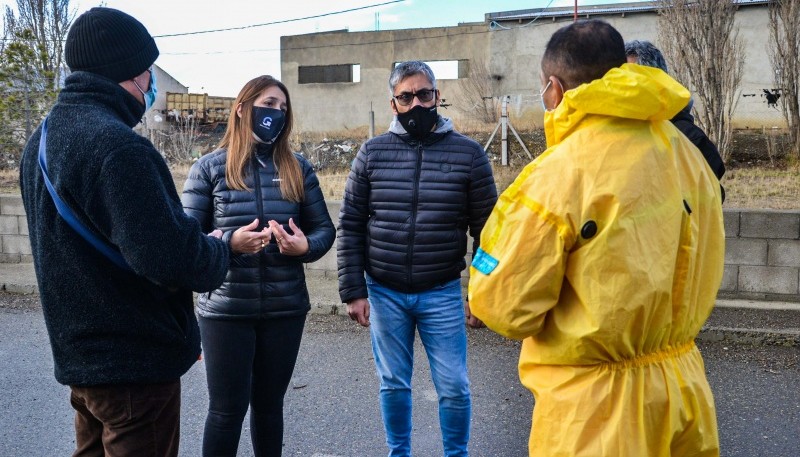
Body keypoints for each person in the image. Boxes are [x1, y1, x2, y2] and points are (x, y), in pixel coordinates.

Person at [468, 20, 725, 456]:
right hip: (684, 392)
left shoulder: (560, 173)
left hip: (593, 414)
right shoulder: (686, 154)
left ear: (554, 89)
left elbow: (503, 304)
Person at [18, 7, 233, 457]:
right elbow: (168, 259)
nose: (150, 83)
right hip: (134, 368)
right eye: (147, 71)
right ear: (130, 73)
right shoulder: (119, 148)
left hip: (83, 362)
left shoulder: (41, 139)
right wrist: (219, 249)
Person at [337, 60, 498, 457]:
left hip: (442, 292)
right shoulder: (371, 153)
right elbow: (351, 224)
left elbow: (491, 235)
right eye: (405, 97)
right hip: (384, 291)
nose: (416, 104)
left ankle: (456, 454)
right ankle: (399, 452)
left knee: (454, 386)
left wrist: (480, 292)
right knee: (393, 383)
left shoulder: (469, 155)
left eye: (424, 94)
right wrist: (353, 290)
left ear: (437, 97)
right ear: (393, 104)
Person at [181, 75, 335, 457]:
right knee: (226, 411)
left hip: (285, 308)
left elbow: (324, 231)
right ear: (243, 108)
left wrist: (303, 247)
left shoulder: (299, 168)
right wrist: (230, 245)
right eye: (268, 104)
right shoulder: (209, 169)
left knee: (269, 408)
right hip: (225, 311)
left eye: (282, 108)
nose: (275, 113)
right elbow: (186, 244)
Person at [625, 39, 726, 201]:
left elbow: (708, 199)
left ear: (658, 80)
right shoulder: (615, 131)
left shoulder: (688, 137)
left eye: (631, 79)